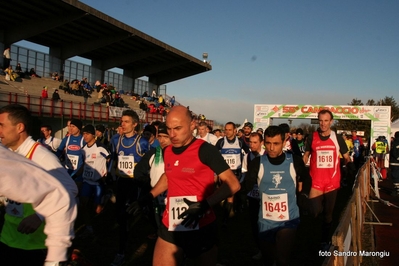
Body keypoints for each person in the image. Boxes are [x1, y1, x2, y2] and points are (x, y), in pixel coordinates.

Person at [131, 106, 240, 266]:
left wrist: (205, 205)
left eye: (177, 128)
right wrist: (149, 196)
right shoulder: (167, 151)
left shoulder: (205, 150)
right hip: (171, 224)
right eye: (169, 129)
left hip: (201, 225)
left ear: (192, 125)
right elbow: (168, 177)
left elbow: (233, 184)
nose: (172, 134)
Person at [0, 104, 78, 265]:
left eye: (2, 126)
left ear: (19, 127)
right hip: (8, 236)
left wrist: (38, 216)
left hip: (33, 244)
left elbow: (70, 189)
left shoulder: (41, 156)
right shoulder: (10, 153)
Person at [243, 126, 308, 266]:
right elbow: (246, 186)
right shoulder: (257, 163)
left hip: (288, 218)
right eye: (268, 143)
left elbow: (307, 178)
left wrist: (304, 195)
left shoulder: (294, 161)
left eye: (276, 143)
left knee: (282, 259)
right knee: (268, 259)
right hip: (266, 220)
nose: (271, 148)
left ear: (284, 143)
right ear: (264, 143)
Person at [302, 110, 350, 247]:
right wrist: (302, 161)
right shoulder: (312, 137)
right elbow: (306, 154)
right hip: (316, 181)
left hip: (332, 182)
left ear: (331, 122)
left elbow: (346, 156)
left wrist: (349, 165)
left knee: (328, 215)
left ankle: (324, 239)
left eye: (326, 121)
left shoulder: (337, 138)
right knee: (314, 211)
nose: (323, 124)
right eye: (321, 120)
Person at [108, 109, 150, 266]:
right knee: (121, 216)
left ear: (135, 124)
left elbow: (150, 161)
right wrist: (110, 174)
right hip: (121, 182)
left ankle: (121, 251)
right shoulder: (116, 140)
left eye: (126, 121)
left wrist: (146, 177)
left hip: (135, 184)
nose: (122, 124)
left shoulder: (142, 142)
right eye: (122, 121)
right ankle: (122, 247)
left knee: (128, 215)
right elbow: (113, 158)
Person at [133, 122, 171, 237]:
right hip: (156, 197)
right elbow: (138, 171)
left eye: (166, 137)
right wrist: (147, 183)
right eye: (160, 137)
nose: (162, 140)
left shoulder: (180, 153)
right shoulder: (153, 153)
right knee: (158, 224)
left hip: (174, 198)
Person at [79, 124, 110, 236]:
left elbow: (110, 159)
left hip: (98, 183)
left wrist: (106, 173)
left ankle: (102, 224)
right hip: (87, 181)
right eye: (83, 134)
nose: (85, 136)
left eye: (87, 134)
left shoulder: (100, 147)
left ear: (93, 134)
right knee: (83, 203)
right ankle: (89, 227)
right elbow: (84, 164)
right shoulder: (83, 149)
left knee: (97, 209)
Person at [216, 121, 249, 223]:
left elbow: (248, 153)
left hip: (237, 171)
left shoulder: (240, 142)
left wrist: (245, 167)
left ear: (235, 131)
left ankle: (232, 213)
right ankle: (228, 215)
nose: (227, 131)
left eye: (230, 130)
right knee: (229, 194)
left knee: (234, 193)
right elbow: (215, 157)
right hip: (225, 172)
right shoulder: (221, 142)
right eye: (226, 129)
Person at [240, 132, 265, 260]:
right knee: (254, 223)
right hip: (252, 194)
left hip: (265, 195)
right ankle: (260, 249)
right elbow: (244, 172)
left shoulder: (267, 155)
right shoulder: (247, 156)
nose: (252, 145)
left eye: (255, 142)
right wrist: (244, 188)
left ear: (261, 143)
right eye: (250, 142)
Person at [389, 131, 399, 196]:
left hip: (395, 162)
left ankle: (397, 190)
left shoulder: (395, 142)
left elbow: (394, 151)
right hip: (396, 161)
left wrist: (397, 157)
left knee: (395, 176)